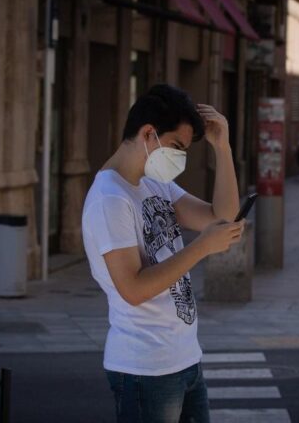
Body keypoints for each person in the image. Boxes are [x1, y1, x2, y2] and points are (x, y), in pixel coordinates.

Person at [81, 84, 243, 423]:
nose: (180, 158)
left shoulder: (154, 183)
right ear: (148, 134)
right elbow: (133, 289)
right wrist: (202, 247)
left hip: (184, 358)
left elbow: (221, 215)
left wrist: (223, 148)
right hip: (145, 369)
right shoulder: (110, 199)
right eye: (176, 147)